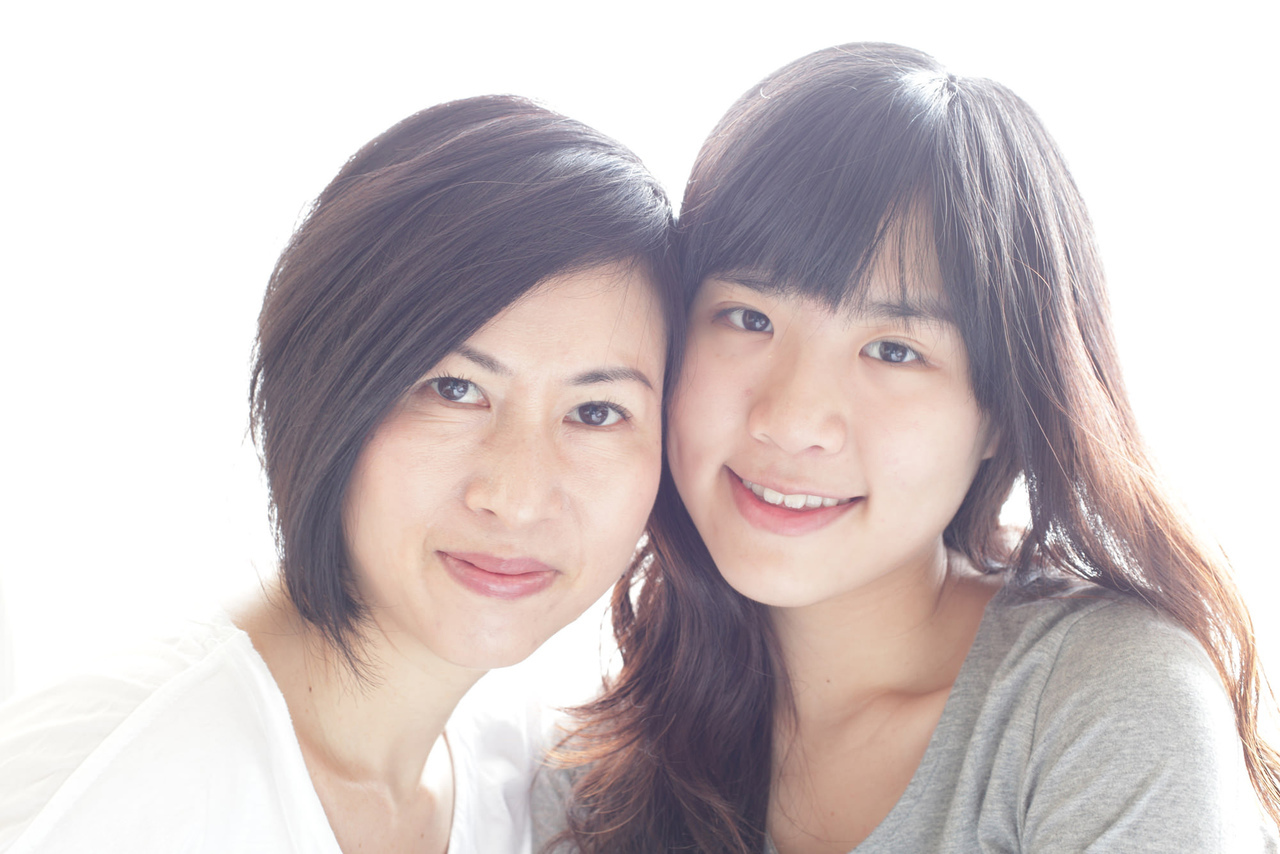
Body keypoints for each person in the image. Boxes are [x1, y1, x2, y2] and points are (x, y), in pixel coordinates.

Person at [536, 44, 1280, 853]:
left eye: (894, 350)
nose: (792, 420)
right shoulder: (598, 772)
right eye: (750, 318)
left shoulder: (1095, 704)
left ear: (1002, 413)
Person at [0, 95, 680, 853]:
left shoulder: (530, 782)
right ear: (330, 390)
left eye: (596, 412)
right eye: (454, 389)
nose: (517, 499)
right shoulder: (114, 792)